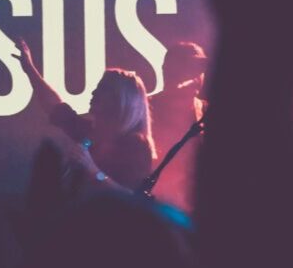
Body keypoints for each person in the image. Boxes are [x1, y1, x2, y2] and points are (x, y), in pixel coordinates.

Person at [14, 38, 156, 191]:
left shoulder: (136, 147)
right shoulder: (91, 133)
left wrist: (93, 170)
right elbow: (56, 107)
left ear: (119, 100)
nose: (94, 93)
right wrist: (29, 68)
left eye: (102, 90)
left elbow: (131, 196)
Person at [147, 41, 208, 209]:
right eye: (189, 67)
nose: (197, 75)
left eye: (199, 69)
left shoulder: (206, 111)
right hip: (155, 207)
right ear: (168, 71)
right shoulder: (145, 108)